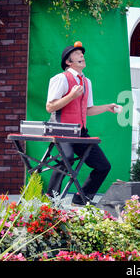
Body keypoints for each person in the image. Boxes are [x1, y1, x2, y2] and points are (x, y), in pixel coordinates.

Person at [45, 42, 118, 206]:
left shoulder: (86, 82)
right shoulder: (60, 78)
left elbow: (87, 110)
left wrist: (107, 107)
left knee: (103, 166)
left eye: (82, 53)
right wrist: (71, 96)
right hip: (61, 131)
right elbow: (50, 106)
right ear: (68, 62)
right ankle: (50, 201)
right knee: (67, 159)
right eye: (77, 53)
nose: (81, 55)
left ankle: (80, 199)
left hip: (80, 132)